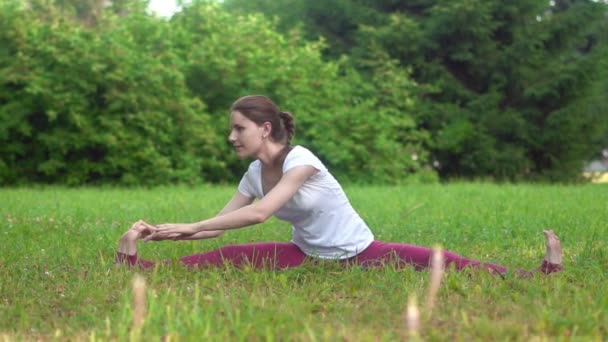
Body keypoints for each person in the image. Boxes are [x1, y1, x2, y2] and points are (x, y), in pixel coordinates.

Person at [116, 95, 563, 276]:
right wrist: (170, 231)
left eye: (238, 128)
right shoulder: (254, 173)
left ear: (265, 129)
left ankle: (537, 273)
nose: (231, 137)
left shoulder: (302, 160)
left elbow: (257, 215)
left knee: (445, 264)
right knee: (221, 258)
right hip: (306, 255)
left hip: (361, 252)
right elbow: (221, 224)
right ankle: (137, 265)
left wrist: (192, 224)